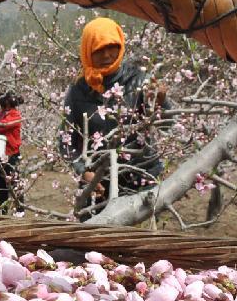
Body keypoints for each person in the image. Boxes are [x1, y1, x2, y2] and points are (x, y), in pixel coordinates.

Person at [58, 17, 170, 221]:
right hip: (98, 184)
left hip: (140, 179)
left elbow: (167, 125)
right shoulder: (78, 91)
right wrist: (84, 172)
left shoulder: (138, 81)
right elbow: (66, 142)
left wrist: (161, 102)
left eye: (112, 47)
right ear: (87, 51)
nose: (107, 54)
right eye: (99, 49)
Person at [0, 90, 25, 217]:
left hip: (11, 155)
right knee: (1, 187)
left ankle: (20, 212)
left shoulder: (15, 114)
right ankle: (3, 214)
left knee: (15, 187)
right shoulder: (1, 114)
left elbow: (3, 126)